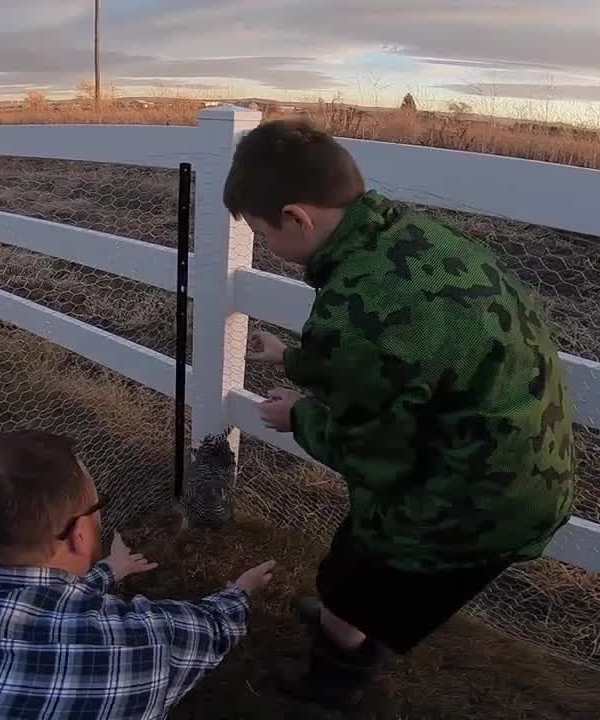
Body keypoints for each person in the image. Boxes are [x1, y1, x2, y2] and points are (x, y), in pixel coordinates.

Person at [225, 119, 575, 709]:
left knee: (354, 577)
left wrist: (299, 417)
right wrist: (298, 359)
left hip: (469, 499)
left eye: (262, 232)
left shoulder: (361, 311)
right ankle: (350, 621)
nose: (267, 246)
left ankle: (336, 674)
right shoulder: (406, 240)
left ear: (297, 218)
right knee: (365, 574)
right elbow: (403, 360)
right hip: (523, 467)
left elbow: (377, 454)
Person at [0, 430, 276, 719]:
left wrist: (107, 571)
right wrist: (240, 592)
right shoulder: (133, 646)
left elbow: (25, 605)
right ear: (76, 535)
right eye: (97, 505)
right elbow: (210, 628)